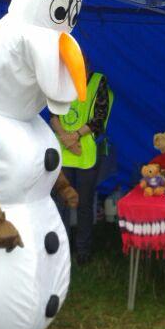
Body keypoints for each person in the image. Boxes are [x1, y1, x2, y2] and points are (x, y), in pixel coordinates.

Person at [50, 64, 113, 266]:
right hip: (65, 154)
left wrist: (75, 136)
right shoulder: (60, 83)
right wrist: (65, 138)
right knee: (61, 203)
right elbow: (54, 115)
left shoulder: (98, 82)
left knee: (84, 203)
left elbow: (99, 118)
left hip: (85, 155)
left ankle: (83, 251)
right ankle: (61, 249)